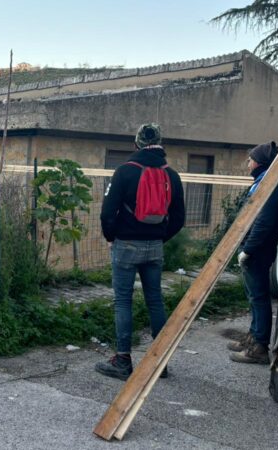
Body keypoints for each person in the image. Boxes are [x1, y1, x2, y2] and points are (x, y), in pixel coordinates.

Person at [96, 123, 185, 381]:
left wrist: (112, 237)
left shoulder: (124, 171)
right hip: (154, 246)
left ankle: (123, 360)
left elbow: (106, 212)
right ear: (161, 144)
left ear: (136, 144)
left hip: (125, 245)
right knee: (155, 300)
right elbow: (179, 218)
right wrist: (159, 237)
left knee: (123, 301)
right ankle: (159, 363)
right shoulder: (172, 175)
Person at [229, 141, 278, 364]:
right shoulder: (265, 182)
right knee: (253, 295)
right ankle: (253, 336)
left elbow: (263, 222)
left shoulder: (272, 185)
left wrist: (248, 249)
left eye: (250, 160)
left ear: (259, 162)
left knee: (258, 297)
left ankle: (259, 347)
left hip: (259, 249)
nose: (248, 164)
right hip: (258, 247)